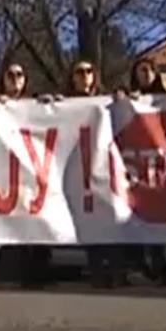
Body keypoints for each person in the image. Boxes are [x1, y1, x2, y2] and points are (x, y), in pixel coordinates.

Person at [62, 60, 124, 289]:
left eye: (89, 71)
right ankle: (97, 270)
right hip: (78, 172)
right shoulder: (66, 103)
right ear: (73, 77)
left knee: (109, 219)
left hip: (105, 170)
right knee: (88, 222)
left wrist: (126, 100)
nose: (84, 75)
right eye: (79, 72)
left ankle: (117, 270)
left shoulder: (107, 102)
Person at [0, 63, 51, 288]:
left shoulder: (36, 104)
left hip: (34, 171)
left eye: (19, 74)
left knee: (38, 219)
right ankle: (18, 271)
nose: (15, 79)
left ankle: (40, 271)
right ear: (3, 79)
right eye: (10, 75)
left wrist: (50, 105)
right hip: (6, 173)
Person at [125, 57, 166, 285]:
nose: (146, 74)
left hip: (163, 169)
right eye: (141, 70)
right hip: (138, 170)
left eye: (151, 69)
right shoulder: (126, 100)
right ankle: (151, 268)